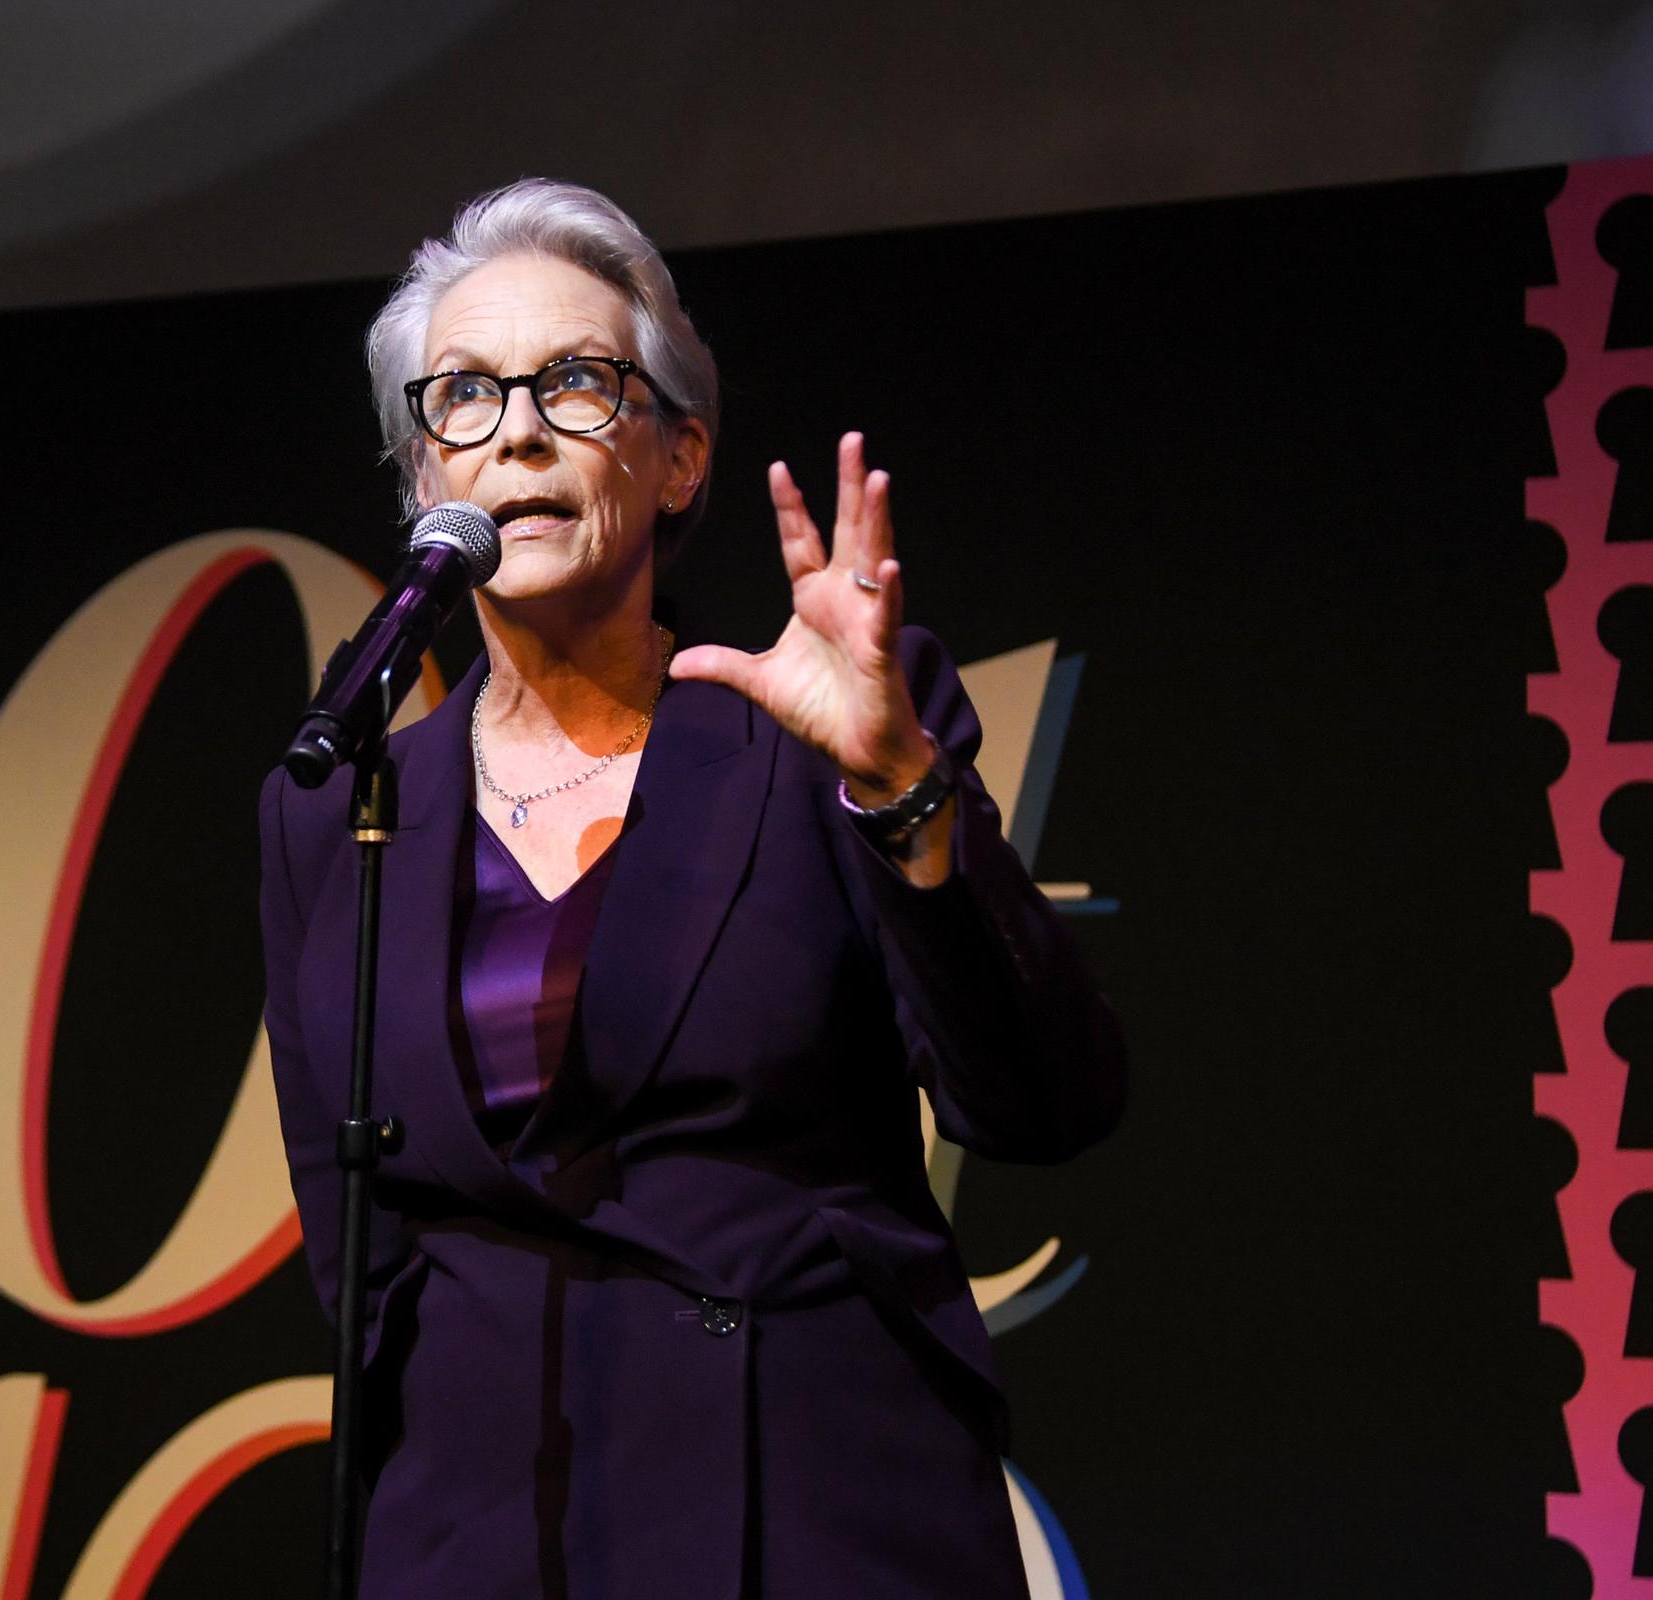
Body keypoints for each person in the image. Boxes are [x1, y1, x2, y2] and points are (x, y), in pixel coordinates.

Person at [258, 178, 1127, 1598]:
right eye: (461, 395)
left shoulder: (818, 735)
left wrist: (900, 789)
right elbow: (358, 1255)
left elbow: (1043, 1099)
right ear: (423, 480)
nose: (517, 428)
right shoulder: (343, 802)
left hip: (803, 1509)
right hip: (482, 1530)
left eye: (577, 384)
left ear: (677, 459)